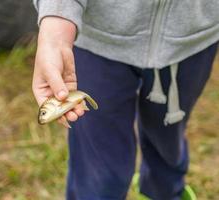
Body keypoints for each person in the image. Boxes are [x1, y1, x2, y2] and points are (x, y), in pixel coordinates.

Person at [32, 1, 219, 199]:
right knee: (99, 163)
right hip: (97, 41)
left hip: (191, 41)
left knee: (167, 141)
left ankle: (165, 192)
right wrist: (57, 21)